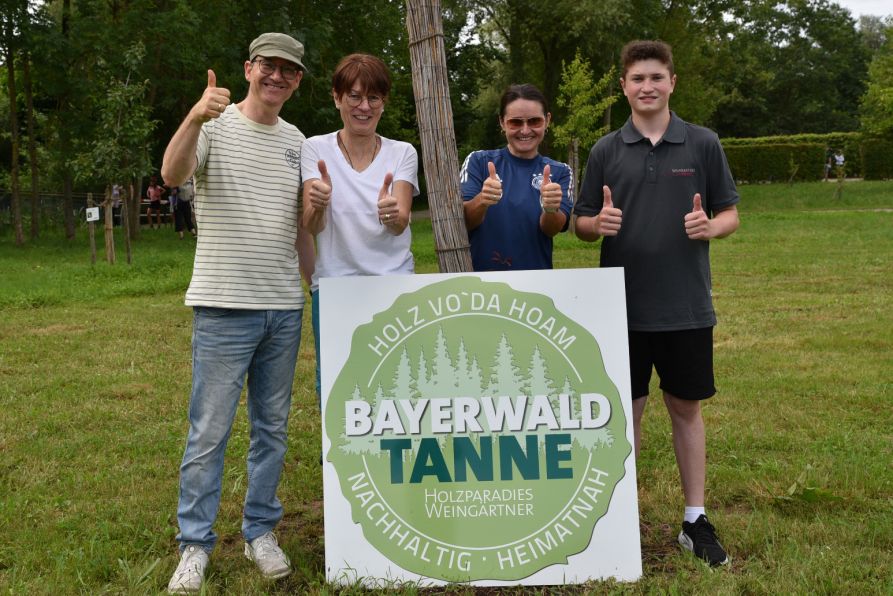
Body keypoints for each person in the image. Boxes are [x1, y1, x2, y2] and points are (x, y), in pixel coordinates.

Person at [574, 40, 739, 567]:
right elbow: (579, 223)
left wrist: (709, 226)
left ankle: (695, 519)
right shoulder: (605, 149)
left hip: (685, 305)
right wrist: (595, 225)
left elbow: (730, 214)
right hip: (618, 309)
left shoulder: (703, 143)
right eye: (637, 78)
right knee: (627, 413)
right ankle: (621, 515)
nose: (647, 86)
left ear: (672, 82)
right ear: (623, 85)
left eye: (656, 77)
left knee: (685, 409)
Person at [160, 32, 310, 593]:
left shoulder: (297, 141)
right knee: (209, 432)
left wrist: (312, 280)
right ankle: (194, 546)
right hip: (224, 305)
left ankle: (259, 532)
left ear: (297, 81)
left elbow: (302, 225)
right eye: (268, 67)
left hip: (282, 308)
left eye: (289, 71)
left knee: (271, 429)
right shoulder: (213, 128)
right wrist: (195, 115)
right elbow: (173, 175)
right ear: (248, 69)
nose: (278, 77)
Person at [301, 53, 418, 398]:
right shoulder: (314, 149)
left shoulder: (403, 153)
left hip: (393, 287)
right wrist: (319, 203)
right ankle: (337, 455)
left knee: (398, 380)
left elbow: (400, 224)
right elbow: (310, 224)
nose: (363, 106)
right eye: (354, 96)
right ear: (336, 97)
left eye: (373, 97)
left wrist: (390, 213)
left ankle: (394, 453)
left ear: (384, 102)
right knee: (337, 384)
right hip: (335, 288)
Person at [460, 83, 572, 270]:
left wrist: (550, 209)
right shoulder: (478, 161)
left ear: (548, 120)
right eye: (516, 122)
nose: (525, 130)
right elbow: (462, 223)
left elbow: (552, 229)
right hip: (480, 285)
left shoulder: (560, 171)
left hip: (535, 284)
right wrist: (483, 200)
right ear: (502, 122)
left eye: (534, 121)